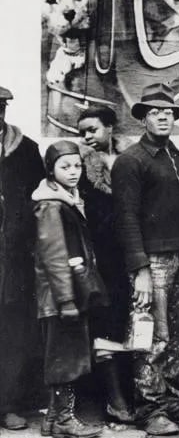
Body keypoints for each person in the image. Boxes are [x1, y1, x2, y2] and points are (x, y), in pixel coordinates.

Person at [111, 83, 179, 437]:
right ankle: (149, 408)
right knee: (153, 336)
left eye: (169, 112)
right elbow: (126, 219)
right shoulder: (131, 161)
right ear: (143, 119)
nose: (163, 116)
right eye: (155, 112)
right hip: (152, 262)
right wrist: (141, 271)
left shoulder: (176, 157)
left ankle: (171, 399)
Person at [32, 140, 104, 438]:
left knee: (64, 354)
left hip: (66, 294)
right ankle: (64, 420)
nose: (74, 171)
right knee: (66, 357)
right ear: (51, 171)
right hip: (61, 297)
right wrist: (66, 300)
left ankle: (52, 420)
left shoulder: (67, 200)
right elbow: (55, 256)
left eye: (78, 165)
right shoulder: (51, 205)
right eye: (65, 166)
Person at [75, 106, 134, 424]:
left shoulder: (130, 161)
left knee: (134, 324)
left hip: (132, 257)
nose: (86, 136)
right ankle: (115, 399)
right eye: (82, 131)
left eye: (93, 129)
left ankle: (135, 394)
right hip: (102, 259)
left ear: (110, 128)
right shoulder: (79, 169)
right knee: (106, 324)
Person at [0, 86, 46, 431]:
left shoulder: (26, 150)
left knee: (14, 331)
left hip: (14, 260)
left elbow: (38, 204)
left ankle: (9, 404)